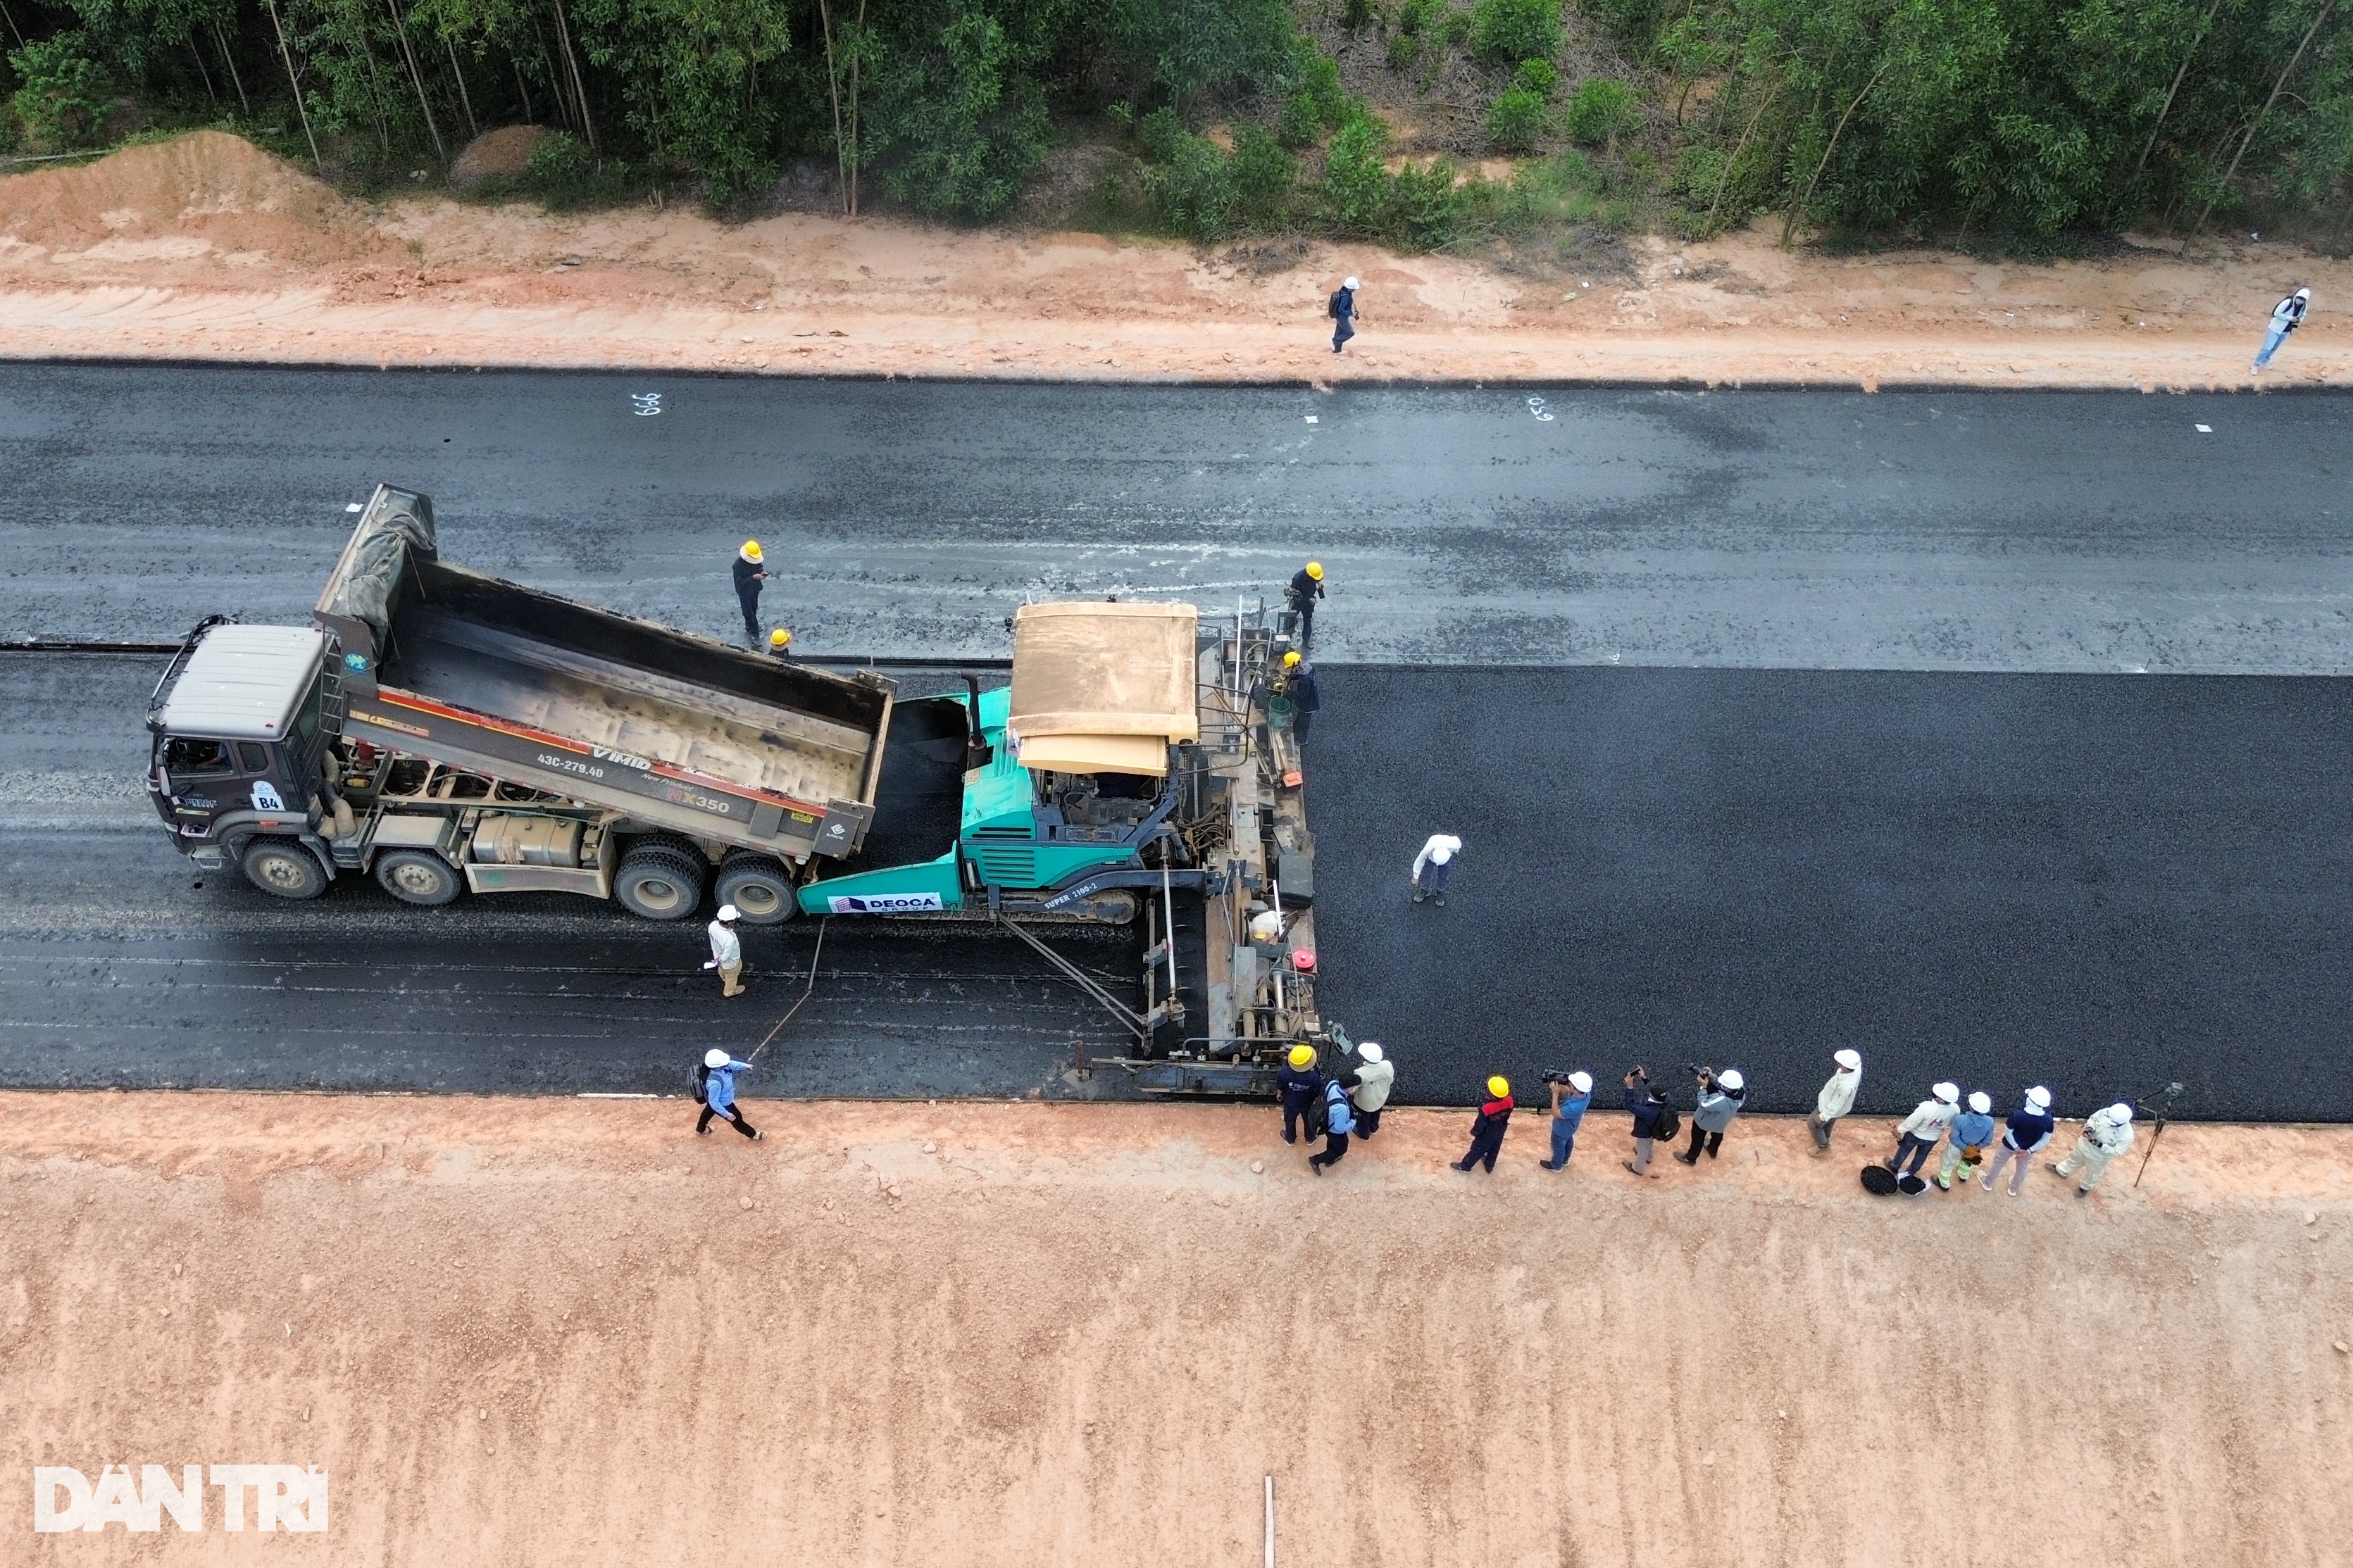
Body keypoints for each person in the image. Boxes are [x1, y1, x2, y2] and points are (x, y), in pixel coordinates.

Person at [1980, 1086, 2055, 1196]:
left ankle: (1988, 1182)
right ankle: (2013, 1189)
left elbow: (2008, 1133)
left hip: (2008, 1146)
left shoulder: (2017, 1115)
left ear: (2030, 1100)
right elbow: (2045, 1139)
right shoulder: (2048, 1119)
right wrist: (2028, 1151)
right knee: (2022, 1168)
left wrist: (2016, 1148)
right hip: (2027, 1151)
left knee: (1998, 1163)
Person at [2053, 1102, 2136, 1195]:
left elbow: (2117, 1151)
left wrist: (2100, 1145)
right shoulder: (2106, 1112)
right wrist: (2089, 1128)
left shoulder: (2127, 1136)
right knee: (2073, 1159)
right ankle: (2062, 1170)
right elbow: (2093, 1119)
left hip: (2098, 1157)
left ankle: (2085, 1187)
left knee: (2092, 1173)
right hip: (2083, 1145)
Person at [1888, 1082, 1960, 1181]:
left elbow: (1912, 1122)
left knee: (1904, 1150)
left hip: (1915, 1135)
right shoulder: (1955, 1109)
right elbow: (1952, 1122)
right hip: (1934, 1138)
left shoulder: (1925, 1108)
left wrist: (1899, 1129)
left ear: (1940, 1098)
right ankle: (1911, 1172)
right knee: (1922, 1156)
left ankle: (1895, 1166)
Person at [1675, 1067, 1745, 1164]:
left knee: (1697, 1139)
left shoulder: (1721, 1101)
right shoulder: (1741, 1092)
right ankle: (1712, 1150)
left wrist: (1703, 1088)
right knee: (1717, 1134)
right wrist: (1712, 1076)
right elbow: (1723, 1087)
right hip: (1721, 1122)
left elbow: (1703, 1104)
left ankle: (1691, 1158)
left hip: (1703, 1122)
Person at [696, 1048, 762, 1139]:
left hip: (717, 1101)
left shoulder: (720, 1067)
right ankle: (753, 1135)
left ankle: (701, 1129)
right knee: (737, 1119)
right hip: (725, 1104)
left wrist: (745, 1066)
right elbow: (714, 1102)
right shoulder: (715, 1083)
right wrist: (727, 1114)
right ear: (718, 1066)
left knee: (708, 1112)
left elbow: (731, 1064)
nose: (727, 1063)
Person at [1453, 1076, 1513, 1172]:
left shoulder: (1487, 1109)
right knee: (1495, 1148)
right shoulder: (1509, 1101)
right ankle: (1489, 1166)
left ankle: (1465, 1166)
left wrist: (1475, 1132)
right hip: (1500, 1130)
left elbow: (1481, 1124)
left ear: (1491, 1093)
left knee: (1477, 1149)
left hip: (1487, 1134)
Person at [1938, 1091, 1997, 1191]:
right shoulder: (1990, 1121)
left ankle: (1944, 1183)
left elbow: (1954, 1138)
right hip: (1974, 1148)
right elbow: (1988, 1140)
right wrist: (1973, 1149)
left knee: (1948, 1163)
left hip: (1956, 1147)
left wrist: (1965, 1148)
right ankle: (1963, 1176)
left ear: (1971, 1106)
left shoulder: (1960, 1119)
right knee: (1967, 1162)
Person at [1809, 1049, 1863, 1154]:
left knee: (1813, 1123)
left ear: (1846, 1066)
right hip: (1839, 1109)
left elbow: (1835, 1105)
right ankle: (1825, 1136)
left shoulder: (1845, 1087)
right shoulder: (1856, 1068)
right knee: (1830, 1122)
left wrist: (1822, 1116)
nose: (1837, 1063)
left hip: (1828, 1108)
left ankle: (1823, 1146)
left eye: (1840, 1062)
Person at [1540, 1070, 1593, 1171]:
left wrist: (1555, 1094)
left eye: (1571, 1085)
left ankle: (1556, 1166)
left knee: (1558, 1147)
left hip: (1561, 1130)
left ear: (1576, 1090)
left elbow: (1556, 1113)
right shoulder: (1585, 1095)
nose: (1569, 1085)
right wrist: (1559, 1084)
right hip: (1570, 1128)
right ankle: (1565, 1160)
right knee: (1568, 1141)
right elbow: (1569, 1092)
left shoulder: (1573, 1108)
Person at [1341, 1041, 1394, 1139]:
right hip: (1380, 1099)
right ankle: (1374, 1129)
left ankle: (1364, 1134)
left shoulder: (1361, 1072)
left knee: (1363, 1119)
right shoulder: (1388, 1065)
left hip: (1364, 1103)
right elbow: (1391, 1080)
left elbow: (1353, 1090)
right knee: (1376, 1114)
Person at [1623, 1067, 1669, 1176]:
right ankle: (1649, 1157)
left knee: (1642, 1147)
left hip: (1645, 1131)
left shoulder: (1648, 1111)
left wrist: (1630, 1087)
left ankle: (1637, 1168)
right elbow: (1653, 1090)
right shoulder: (1666, 1100)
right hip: (1655, 1128)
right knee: (1650, 1142)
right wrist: (1644, 1078)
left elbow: (1630, 1105)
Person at [2253, 287, 2311, 372]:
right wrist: (2290, 318)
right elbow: (2276, 313)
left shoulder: (2304, 307)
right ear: (2296, 296)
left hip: (2286, 331)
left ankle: (2265, 362)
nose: (2300, 300)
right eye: (2299, 298)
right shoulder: (2287, 302)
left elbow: (2303, 315)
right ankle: (2256, 364)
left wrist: (2298, 321)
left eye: (2303, 299)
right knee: (2267, 348)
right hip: (2275, 328)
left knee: (2274, 348)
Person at [1277, 1043, 1324, 1146]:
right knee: (1309, 1121)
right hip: (1307, 1103)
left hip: (1290, 1102)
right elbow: (1316, 1092)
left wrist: (1279, 1094)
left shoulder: (1284, 1072)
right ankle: (1310, 1139)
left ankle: (1290, 1139)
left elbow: (1280, 1087)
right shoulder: (1313, 1077)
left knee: (1290, 1120)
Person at [1310, 1077, 1355, 1173]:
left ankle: (1330, 1159)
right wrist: (1352, 1123)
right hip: (1335, 1130)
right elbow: (1340, 1128)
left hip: (1327, 1123)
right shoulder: (1341, 1107)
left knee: (1332, 1143)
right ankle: (1315, 1160)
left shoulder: (1333, 1084)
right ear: (1349, 1088)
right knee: (1341, 1150)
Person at [702, 903, 744, 998]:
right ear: (729, 922)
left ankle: (724, 977)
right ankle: (729, 991)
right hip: (730, 964)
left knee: (722, 969)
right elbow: (726, 956)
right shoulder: (729, 939)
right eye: (734, 920)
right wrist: (721, 960)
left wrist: (717, 959)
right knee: (732, 977)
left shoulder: (712, 926)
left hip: (717, 957)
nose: (735, 922)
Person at [1411, 832, 1462, 907]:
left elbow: (1458, 848)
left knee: (1444, 875)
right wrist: (1416, 877)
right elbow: (1420, 860)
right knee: (1426, 873)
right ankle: (1424, 890)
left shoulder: (1454, 845)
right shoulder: (1429, 848)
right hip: (1430, 857)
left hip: (1446, 858)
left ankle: (1440, 892)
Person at [732, 541, 768, 642]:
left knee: (754, 608)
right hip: (744, 592)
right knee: (749, 613)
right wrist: (753, 577)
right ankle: (755, 634)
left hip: (754, 589)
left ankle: (749, 625)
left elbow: (759, 567)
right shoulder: (738, 565)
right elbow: (739, 582)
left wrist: (761, 572)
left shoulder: (756, 560)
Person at [1287, 561, 1325, 650]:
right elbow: (1296, 596)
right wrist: (1308, 599)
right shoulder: (1297, 579)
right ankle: (1287, 638)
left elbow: (1319, 578)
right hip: (1298, 602)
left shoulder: (1314, 575)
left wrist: (1320, 583)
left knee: (1307, 620)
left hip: (1309, 603)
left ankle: (1307, 639)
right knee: (1291, 620)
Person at [1289, 657, 1321, 741]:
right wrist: (1292, 677)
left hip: (1308, 704)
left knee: (1304, 722)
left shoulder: (1306, 679)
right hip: (1309, 700)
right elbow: (1300, 675)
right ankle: (1294, 729)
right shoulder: (1307, 668)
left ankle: (1302, 739)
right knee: (1300, 717)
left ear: (1296, 666)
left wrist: (1289, 694)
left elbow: (1303, 695)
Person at [1328, 276, 1360, 354]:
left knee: (1340, 331)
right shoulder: (1345, 297)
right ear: (1351, 288)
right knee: (1350, 332)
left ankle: (1337, 350)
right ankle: (1335, 341)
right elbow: (1340, 309)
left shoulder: (1342, 292)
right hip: (1342, 317)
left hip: (1339, 316)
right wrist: (1351, 313)